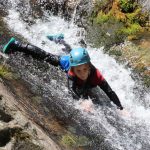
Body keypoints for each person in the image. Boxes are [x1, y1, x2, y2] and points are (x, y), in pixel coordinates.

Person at [2, 36, 123, 110]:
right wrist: (82, 102)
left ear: (89, 67)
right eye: (78, 71)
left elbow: (109, 91)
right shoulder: (70, 69)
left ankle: (59, 39)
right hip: (66, 61)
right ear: (73, 69)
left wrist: (120, 108)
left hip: (75, 60)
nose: (82, 73)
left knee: (70, 51)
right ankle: (17, 45)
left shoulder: (96, 75)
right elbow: (71, 89)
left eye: (84, 70)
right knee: (47, 57)